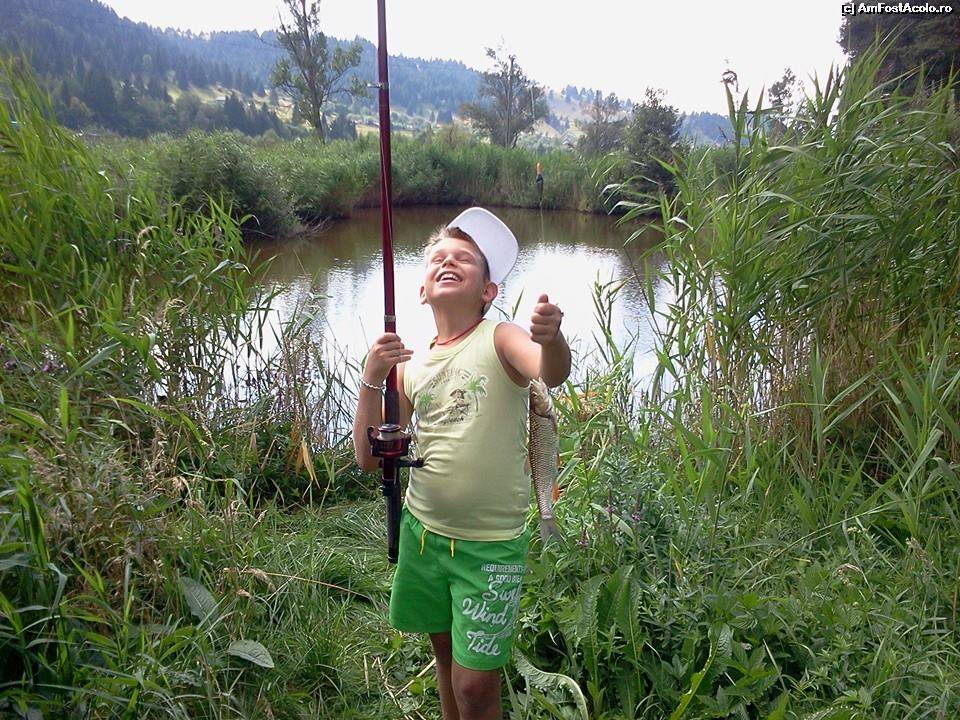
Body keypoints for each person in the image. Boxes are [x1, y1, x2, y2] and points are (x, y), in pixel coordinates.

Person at [352, 207, 571, 720]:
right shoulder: (410, 367)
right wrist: (372, 377)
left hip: (489, 544)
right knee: (446, 659)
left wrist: (551, 338)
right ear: (422, 290)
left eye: (464, 259)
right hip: (423, 534)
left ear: (488, 291)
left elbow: (549, 372)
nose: (448, 262)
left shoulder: (500, 337)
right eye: (438, 259)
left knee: (475, 685)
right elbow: (367, 457)